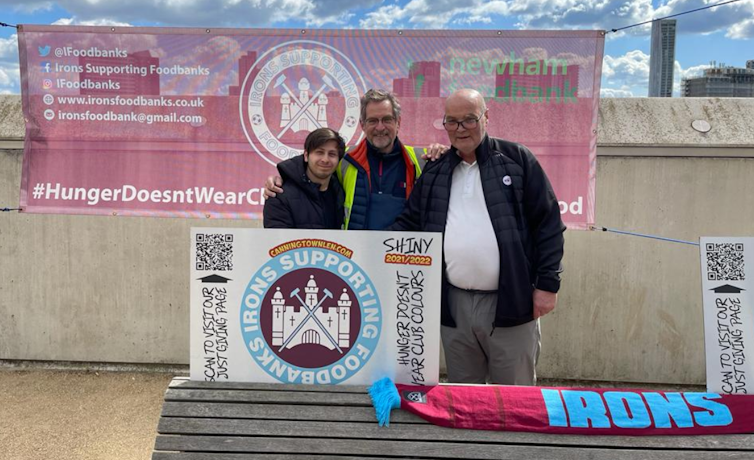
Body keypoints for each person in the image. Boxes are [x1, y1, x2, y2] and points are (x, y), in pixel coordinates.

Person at [390, 88, 566, 385]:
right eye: (452, 121)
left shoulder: (517, 159)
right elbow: (409, 223)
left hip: (512, 302)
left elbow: (548, 224)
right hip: (454, 306)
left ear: (486, 117)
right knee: (465, 399)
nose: (460, 129)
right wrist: (363, 248)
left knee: (514, 399)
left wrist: (548, 285)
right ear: (444, 125)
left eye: (469, 120)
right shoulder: (435, 170)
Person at [264, 89, 446, 230]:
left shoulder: (422, 161)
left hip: (400, 261)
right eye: (373, 120)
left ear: (398, 122)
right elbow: (311, 169)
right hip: (355, 263)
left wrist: (444, 154)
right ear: (362, 125)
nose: (380, 127)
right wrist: (282, 178)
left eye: (387, 119)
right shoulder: (345, 160)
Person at [263, 128, 346, 229]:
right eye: (319, 152)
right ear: (306, 156)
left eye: (332, 154)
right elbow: (278, 241)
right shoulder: (279, 194)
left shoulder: (341, 194)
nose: (325, 159)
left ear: (338, 160)